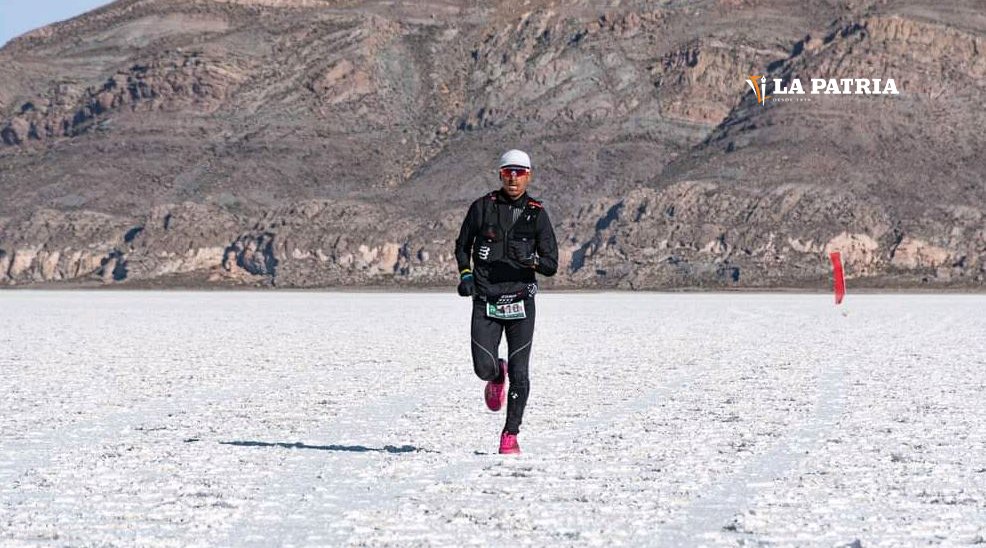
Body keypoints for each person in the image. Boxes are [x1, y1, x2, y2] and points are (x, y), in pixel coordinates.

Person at [454, 149, 559, 455]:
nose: (514, 178)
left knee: (522, 371)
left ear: (530, 176)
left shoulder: (537, 214)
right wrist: (466, 276)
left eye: (520, 173)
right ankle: (496, 375)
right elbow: (462, 246)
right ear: (500, 174)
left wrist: (533, 261)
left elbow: (551, 265)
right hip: (486, 300)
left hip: (521, 304)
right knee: (483, 367)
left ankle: (510, 435)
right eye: (508, 173)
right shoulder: (482, 208)